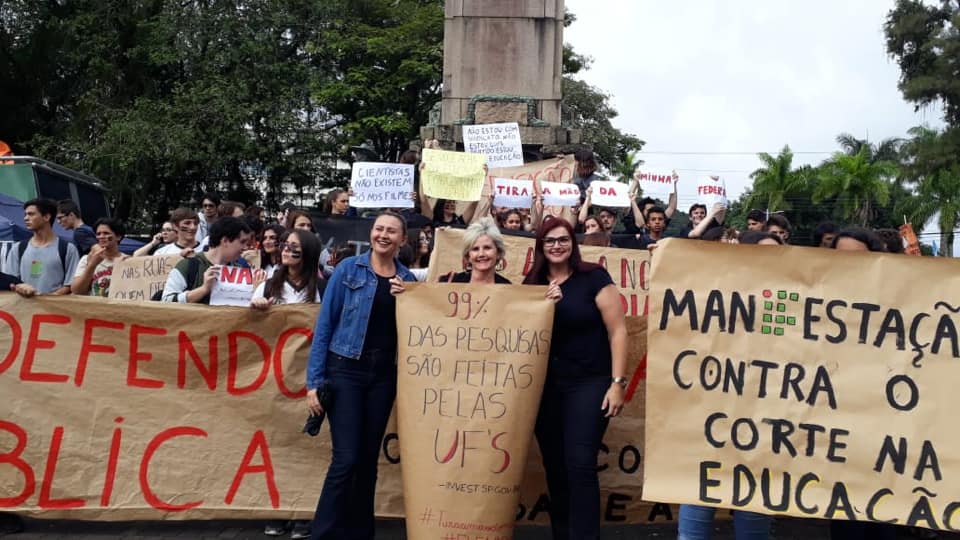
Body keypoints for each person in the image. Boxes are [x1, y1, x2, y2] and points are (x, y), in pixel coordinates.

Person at [304, 211, 415, 540]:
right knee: (347, 459)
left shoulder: (408, 280)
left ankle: (360, 533)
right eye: (379, 228)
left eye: (391, 231)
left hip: (383, 377)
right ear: (371, 233)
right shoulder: (348, 269)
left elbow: (418, 329)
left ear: (402, 239)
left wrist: (408, 299)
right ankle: (323, 533)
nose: (383, 235)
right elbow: (324, 326)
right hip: (345, 370)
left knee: (367, 461)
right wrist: (314, 382)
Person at [522, 217, 625, 540]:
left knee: (580, 463)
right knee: (555, 466)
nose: (557, 246)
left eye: (563, 239)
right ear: (541, 246)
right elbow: (521, 333)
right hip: (546, 388)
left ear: (573, 243)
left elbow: (618, 331)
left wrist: (617, 383)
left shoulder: (594, 277)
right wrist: (544, 306)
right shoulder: (532, 284)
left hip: (590, 382)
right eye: (550, 240)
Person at [676, 227, 781, 540]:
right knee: (699, 490)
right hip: (712, 410)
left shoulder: (793, 300)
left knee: (754, 498)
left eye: (779, 253)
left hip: (764, 415)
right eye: (763, 252)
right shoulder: (714, 292)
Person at [253, 228, 322, 538]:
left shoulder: (321, 288)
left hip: (308, 376)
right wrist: (257, 308)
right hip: (274, 377)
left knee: (307, 446)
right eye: (285, 245)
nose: (286, 250)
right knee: (276, 444)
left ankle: (303, 511)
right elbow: (246, 324)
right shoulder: (268, 285)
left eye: (295, 247)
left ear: (307, 253)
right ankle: (277, 510)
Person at [828, 227, 897, 540]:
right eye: (840, 257)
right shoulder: (815, 300)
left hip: (884, 427)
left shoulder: (899, 301)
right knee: (846, 520)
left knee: (882, 518)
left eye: (857, 258)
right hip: (835, 431)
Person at [161, 217, 253, 304]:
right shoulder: (188, 266)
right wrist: (203, 289)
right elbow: (166, 302)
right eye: (242, 242)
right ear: (225, 241)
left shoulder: (240, 270)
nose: (245, 248)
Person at [5, 198, 80, 297]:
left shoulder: (68, 249)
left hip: (55, 306)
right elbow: (11, 283)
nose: (26, 218)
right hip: (23, 306)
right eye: (25, 215)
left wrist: (45, 299)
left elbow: (70, 285)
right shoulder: (17, 248)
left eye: (31, 214)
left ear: (46, 217)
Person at [70, 218, 128, 297]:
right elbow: (77, 291)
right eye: (98, 234)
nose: (101, 236)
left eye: (106, 233)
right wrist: (92, 265)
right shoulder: (86, 259)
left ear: (118, 236)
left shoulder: (128, 260)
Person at [442, 217, 510, 284]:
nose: (481, 254)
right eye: (475, 249)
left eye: (487, 248)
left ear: (498, 252)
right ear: (468, 255)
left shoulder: (508, 287)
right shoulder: (449, 281)